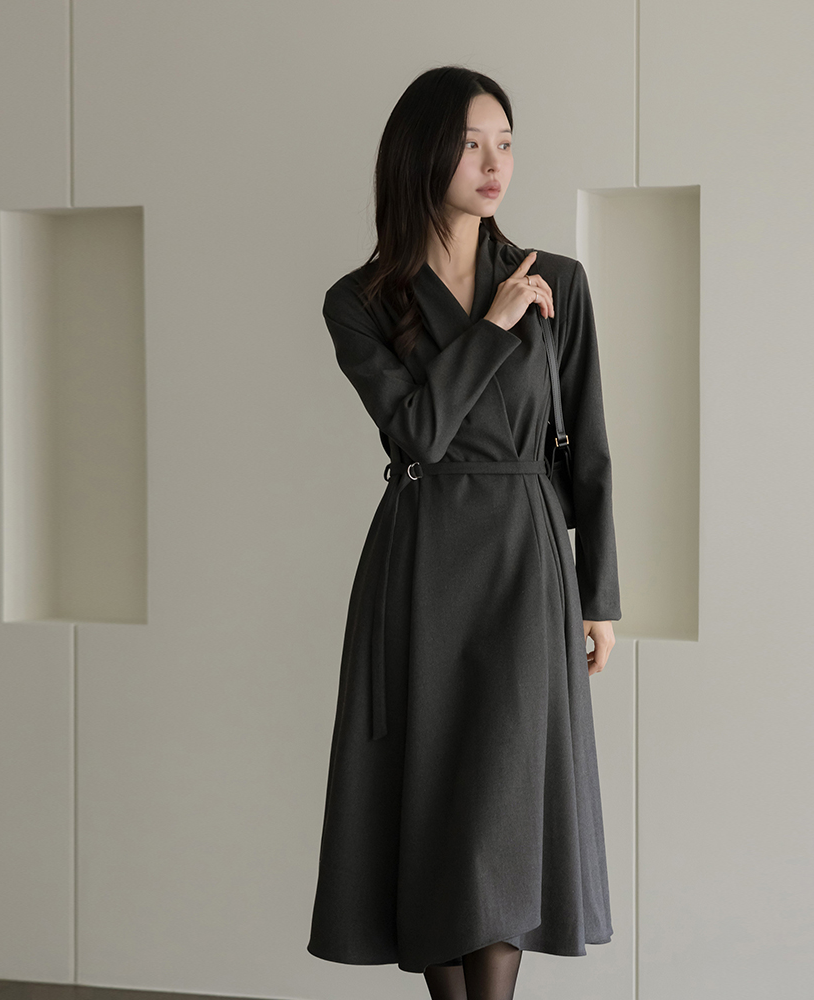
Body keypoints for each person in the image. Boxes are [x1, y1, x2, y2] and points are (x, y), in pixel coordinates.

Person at [307, 65, 621, 1000]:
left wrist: (599, 594)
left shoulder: (559, 281)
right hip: (421, 565)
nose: (495, 164)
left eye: (506, 143)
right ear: (423, 154)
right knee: (434, 805)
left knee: (503, 808)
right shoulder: (361, 299)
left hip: (525, 562)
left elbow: (590, 449)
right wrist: (492, 326)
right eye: (472, 144)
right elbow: (417, 433)